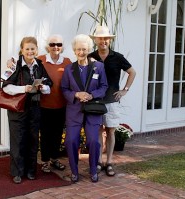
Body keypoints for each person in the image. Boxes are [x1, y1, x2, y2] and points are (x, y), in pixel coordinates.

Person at [2, 37, 53, 184]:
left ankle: (31, 171)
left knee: (32, 139)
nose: (30, 51)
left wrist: (43, 88)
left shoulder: (39, 65)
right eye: (27, 49)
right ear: (22, 50)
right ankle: (17, 172)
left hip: (35, 108)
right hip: (18, 109)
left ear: (36, 50)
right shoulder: (13, 65)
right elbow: (6, 87)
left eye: (33, 49)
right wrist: (24, 89)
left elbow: (49, 84)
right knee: (18, 140)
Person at [88, 25, 136, 176]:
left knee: (111, 131)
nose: (103, 41)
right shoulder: (90, 57)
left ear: (110, 40)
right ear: (95, 40)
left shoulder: (118, 57)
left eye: (106, 38)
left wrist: (124, 90)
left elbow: (132, 72)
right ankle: (98, 161)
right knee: (98, 131)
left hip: (112, 101)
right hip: (95, 100)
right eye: (100, 38)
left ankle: (109, 162)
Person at [61, 34, 108, 183]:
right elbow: (64, 89)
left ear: (89, 49)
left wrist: (91, 95)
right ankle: (74, 172)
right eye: (78, 49)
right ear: (74, 50)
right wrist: (76, 94)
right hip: (74, 111)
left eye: (84, 49)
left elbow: (104, 87)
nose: (81, 52)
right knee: (71, 141)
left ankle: (94, 170)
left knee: (94, 141)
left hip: (93, 110)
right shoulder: (69, 69)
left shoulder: (98, 67)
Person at [37, 35, 72, 173]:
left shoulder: (67, 62)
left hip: (61, 105)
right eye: (52, 44)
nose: (55, 47)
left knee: (57, 134)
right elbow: (24, 63)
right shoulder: (40, 60)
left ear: (62, 46)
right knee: (45, 134)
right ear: (48, 46)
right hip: (44, 105)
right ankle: (45, 161)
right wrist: (11, 61)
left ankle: (54, 159)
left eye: (58, 44)